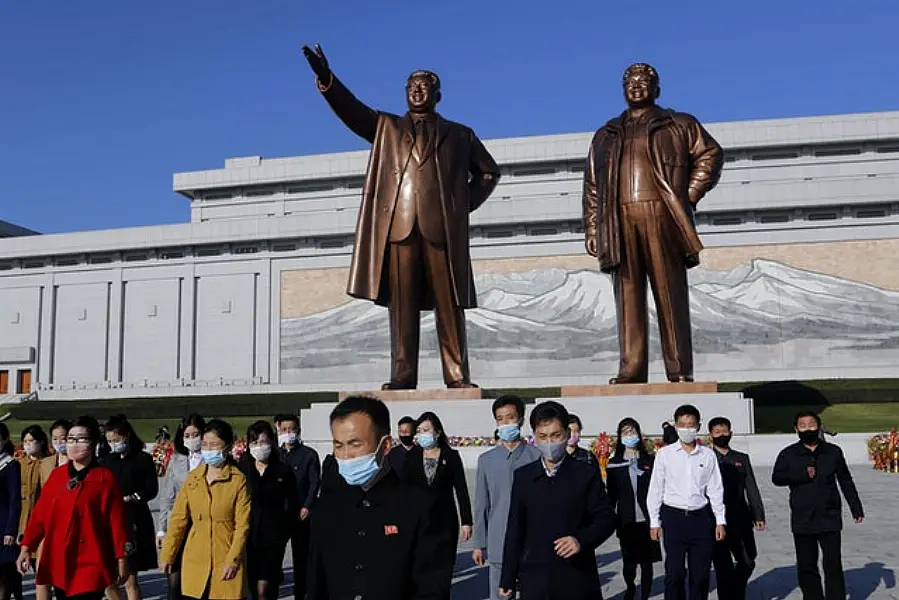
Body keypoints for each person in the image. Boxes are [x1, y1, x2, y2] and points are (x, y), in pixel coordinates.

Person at [301, 44, 500, 390]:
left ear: (438, 94)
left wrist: (461, 205)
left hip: (441, 230)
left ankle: (457, 375)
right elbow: (352, 112)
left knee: (449, 304)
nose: (416, 90)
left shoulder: (460, 134)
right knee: (402, 307)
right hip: (400, 228)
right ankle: (403, 375)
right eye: (410, 85)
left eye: (424, 85)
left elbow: (488, 173)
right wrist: (327, 80)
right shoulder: (386, 127)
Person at [582, 63, 724, 384]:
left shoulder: (679, 124)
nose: (636, 86)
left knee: (669, 293)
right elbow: (592, 185)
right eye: (630, 82)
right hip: (619, 220)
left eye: (644, 81)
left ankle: (679, 369)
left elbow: (710, 155)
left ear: (657, 89)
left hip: (662, 215)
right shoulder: (605, 135)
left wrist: (688, 194)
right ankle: (631, 368)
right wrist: (593, 228)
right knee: (628, 295)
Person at [307, 395, 442, 600]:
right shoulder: (326, 508)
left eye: (355, 444)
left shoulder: (420, 506)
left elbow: (431, 588)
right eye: (338, 445)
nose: (346, 455)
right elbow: (317, 584)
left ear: (385, 445)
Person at [500, 401, 616, 599]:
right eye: (542, 437)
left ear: (567, 435)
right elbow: (515, 528)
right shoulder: (524, 477)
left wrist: (580, 540)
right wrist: (507, 576)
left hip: (576, 576)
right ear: (534, 437)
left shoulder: (585, 474)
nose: (549, 443)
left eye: (556, 435)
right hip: (536, 578)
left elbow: (606, 519)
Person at [18, 415, 130, 600]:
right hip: (60, 559)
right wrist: (26, 547)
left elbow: (117, 523)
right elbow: (40, 516)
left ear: (93, 443)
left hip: (91, 558)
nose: (73, 444)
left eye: (80, 439)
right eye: (70, 439)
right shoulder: (57, 477)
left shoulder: (105, 478)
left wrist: (122, 557)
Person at [772, 411, 864, 600]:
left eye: (812, 424)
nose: (808, 429)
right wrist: (801, 475)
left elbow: (845, 480)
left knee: (833, 563)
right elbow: (777, 478)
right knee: (807, 564)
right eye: (803, 425)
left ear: (819, 427)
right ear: (796, 429)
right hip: (802, 516)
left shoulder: (833, 452)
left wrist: (856, 507)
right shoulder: (788, 453)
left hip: (829, 514)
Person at [159, 419, 251, 600]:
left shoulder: (238, 480)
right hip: (196, 559)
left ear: (227, 446)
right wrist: (168, 554)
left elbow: (243, 526)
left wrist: (233, 560)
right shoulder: (193, 479)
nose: (209, 449)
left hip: (225, 559)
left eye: (214, 445)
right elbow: (179, 519)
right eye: (205, 444)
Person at [647, 405, 726, 600]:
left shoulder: (707, 455)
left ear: (698, 426)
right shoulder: (665, 454)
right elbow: (656, 488)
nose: (686, 429)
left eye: (691, 425)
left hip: (700, 518)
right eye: (682, 425)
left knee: (700, 575)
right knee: (674, 574)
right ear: (675, 426)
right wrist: (654, 522)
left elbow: (715, 489)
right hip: (673, 518)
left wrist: (720, 520)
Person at [472, 395, 541, 600]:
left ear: (520, 419)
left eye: (510, 417)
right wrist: (479, 543)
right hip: (498, 541)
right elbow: (481, 504)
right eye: (500, 419)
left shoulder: (536, 456)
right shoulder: (486, 460)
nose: (505, 423)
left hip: (531, 543)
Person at [402, 412, 472, 599]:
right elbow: (402, 489)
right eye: (419, 431)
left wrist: (467, 521)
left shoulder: (451, 456)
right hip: (417, 523)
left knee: (441, 568)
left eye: (426, 430)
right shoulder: (412, 457)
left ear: (438, 432)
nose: (422, 434)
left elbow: (461, 490)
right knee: (419, 568)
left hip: (444, 523)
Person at [239, 421, 298, 600]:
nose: (259, 447)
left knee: (264, 589)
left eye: (263, 442)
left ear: (272, 443)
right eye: (255, 443)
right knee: (251, 587)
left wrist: (285, 531)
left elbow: (292, 503)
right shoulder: (242, 470)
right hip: (247, 536)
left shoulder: (283, 471)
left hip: (273, 538)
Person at [708, 417, 765, 600]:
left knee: (748, 559)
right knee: (722, 564)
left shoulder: (741, 458)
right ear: (711, 435)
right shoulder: (706, 458)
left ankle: (736, 589)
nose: (722, 435)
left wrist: (758, 514)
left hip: (740, 516)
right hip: (715, 520)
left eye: (725, 431)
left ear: (731, 433)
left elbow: (751, 487)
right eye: (717, 432)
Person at [103, 415, 159, 600]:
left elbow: (151, 489)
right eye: (110, 441)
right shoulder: (108, 460)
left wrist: (134, 497)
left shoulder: (142, 459)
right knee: (109, 578)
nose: (113, 444)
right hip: (110, 520)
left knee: (130, 578)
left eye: (116, 440)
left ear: (127, 436)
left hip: (134, 519)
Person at [606, 418, 661, 600]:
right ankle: (630, 587)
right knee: (629, 562)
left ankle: (645, 593)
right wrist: (608, 518)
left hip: (647, 520)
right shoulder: (614, 463)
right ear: (620, 436)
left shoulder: (649, 461)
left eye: (632, 431)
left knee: (647, 562)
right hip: (626, 520)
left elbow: (658, 488)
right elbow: (612, 495)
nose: (629, 436)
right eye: (625, 432)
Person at [157, 414, 206, 600]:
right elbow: (167, 497)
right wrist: (162, 529)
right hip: (179, 523)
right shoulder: (177, 460)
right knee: (174, 578)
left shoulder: (211, 459)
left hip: (203, 524)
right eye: (188, 435)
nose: (192, 439)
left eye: (196, 434)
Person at [274, 413, 320, 600]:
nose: (288, 433)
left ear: (298, 430)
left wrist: (307, 506)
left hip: (300, 513)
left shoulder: (309, 455)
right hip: (278, 515)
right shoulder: (275, 455)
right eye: (284, 430)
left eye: (292, 429)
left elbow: (314, 482)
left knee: (301, 557)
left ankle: (301, 593)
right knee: (274, 556)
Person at [36, 419, 70, 600]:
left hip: (72, 525)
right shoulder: (46, 463)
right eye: (55, 438)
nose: (59, 442)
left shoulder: (80, 462)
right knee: (43, 577)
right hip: (48, 527)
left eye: (63, 438)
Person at [0, 424, 21, 600]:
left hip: (3, 525)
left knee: (4, 574)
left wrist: (10, 530)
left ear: (4, 439)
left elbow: (15, 499)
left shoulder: (10, 465)